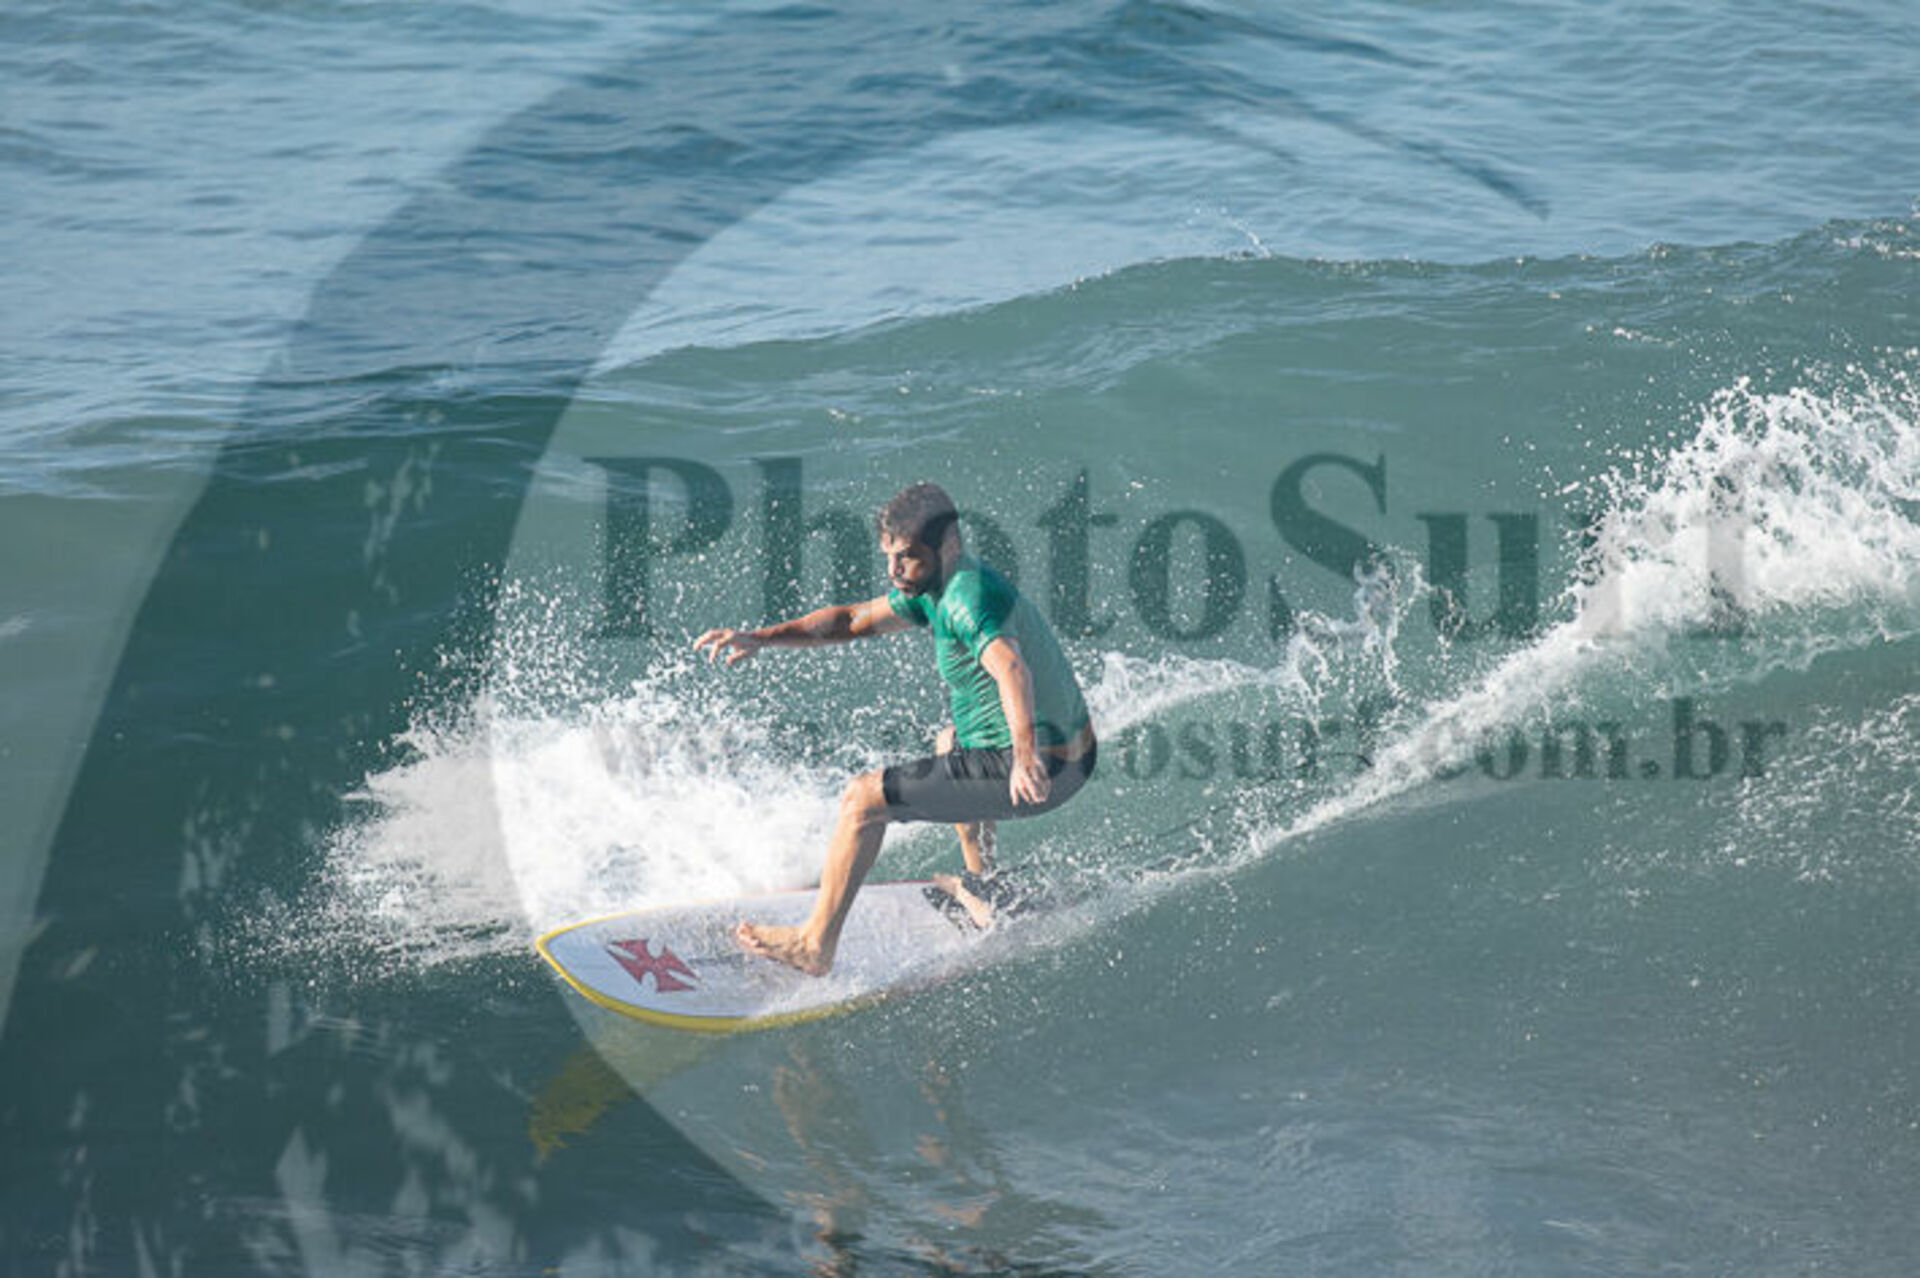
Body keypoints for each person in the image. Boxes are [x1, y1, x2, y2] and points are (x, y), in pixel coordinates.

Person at [692, 481, 1097, 975]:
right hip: (1070, 754)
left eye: (906, 557)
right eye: (889, 556)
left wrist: (1025, 758)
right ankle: (983, 884)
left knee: (863, 800)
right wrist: (761, 638)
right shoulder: (936, 586)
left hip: (1044, 767)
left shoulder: (967, 599)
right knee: (949, 742)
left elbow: (1012, 669)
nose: (894, 570)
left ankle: (814, 944)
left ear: (948, 545)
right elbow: (850, 620)